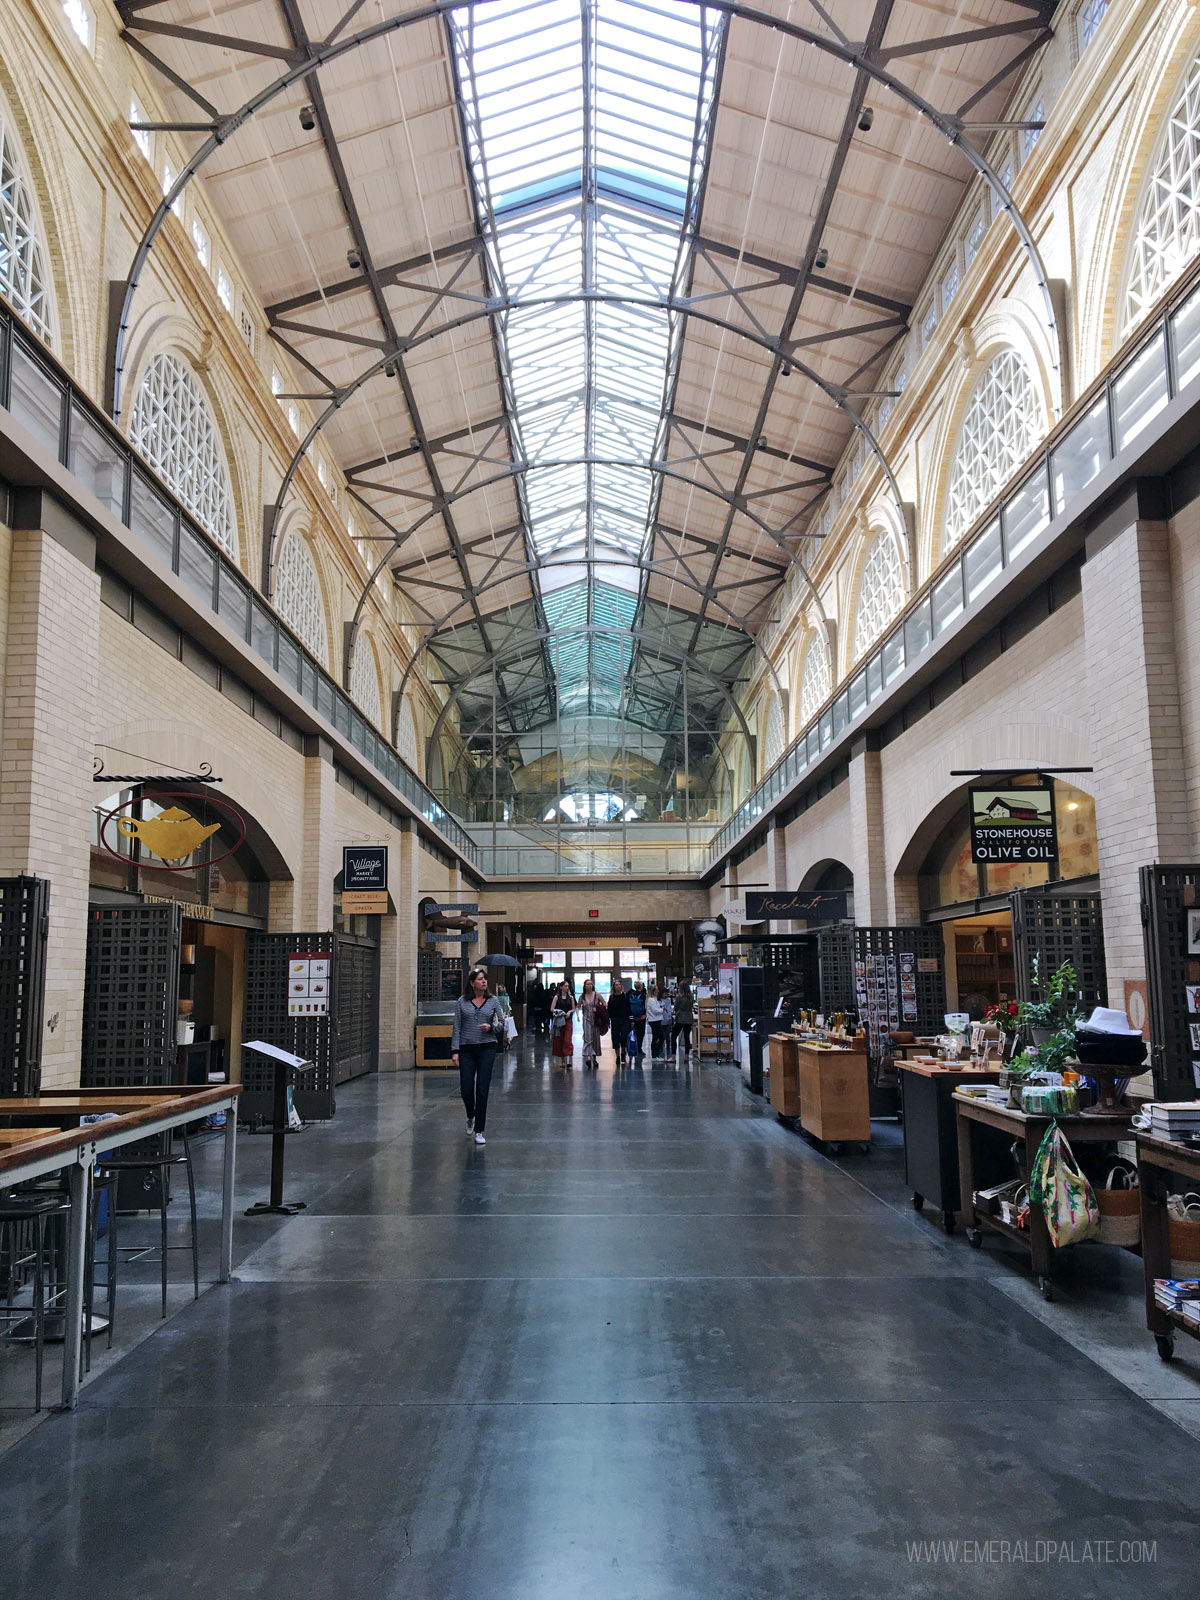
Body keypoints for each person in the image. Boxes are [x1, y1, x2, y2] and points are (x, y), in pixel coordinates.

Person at [451, 967, 504, 1146]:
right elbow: (456, 1026)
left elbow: (501, 1023)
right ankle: (470, 1115)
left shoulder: (493, 1000)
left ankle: (479, 1130)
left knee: (482, 1089)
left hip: (487, 1048)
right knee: (466, 1088)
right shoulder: (462, 1002)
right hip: (467, 1049)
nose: (484, 982)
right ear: (472, 983)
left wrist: (491, 1027)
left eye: (484, 979)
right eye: (480, 979)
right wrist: (455, 1051)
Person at [579, 977, 602, 1069]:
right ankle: (588, 1057)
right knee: (588, 1037)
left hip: (595, 1019)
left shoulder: (597, 995)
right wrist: (576, 1013)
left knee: (595, 1037)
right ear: (584, 986)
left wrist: (598, 1009)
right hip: (586, 1019)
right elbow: (577, 1006)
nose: (589, 986)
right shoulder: (582, 997)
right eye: (587, 984)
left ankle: (594, 1058)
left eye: (591, 984)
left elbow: (604, 1004)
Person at [550, 979, 575, 1063]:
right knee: (560, 1039)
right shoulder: (557, 997)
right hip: (559, 1021)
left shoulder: (571, 998)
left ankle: (567, 1060)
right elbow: (552, 1009)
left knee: (567, 1039)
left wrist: (569, 1012)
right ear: (561, 987)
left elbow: (573, 1008)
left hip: (568, 1020)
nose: (567, 988)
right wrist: (561, 1012)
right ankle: (563, 1060)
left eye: (568, 986)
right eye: (565, 986)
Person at [608, 979, 631, 1067]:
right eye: (616, 985)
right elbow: (609, 1009)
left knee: (624, 1036)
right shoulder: (612, 997)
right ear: (613, 987)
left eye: (619, 985)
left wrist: (631, 1019)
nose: (618, 986)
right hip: (615, 1020)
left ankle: (623, 1052)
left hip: (624, 1019)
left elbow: (628, 1008)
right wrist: (608, 1020)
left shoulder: (625, 996)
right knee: (615, 1037)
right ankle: (617, 1056)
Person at [674, 980, 695, 1056]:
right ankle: (686, 1055)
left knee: (674, 1036)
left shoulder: (680, 997)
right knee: (687, 1037)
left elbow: (676, 1007)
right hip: (689, 1017)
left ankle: (673, 1055)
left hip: (680, 1018)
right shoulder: (691, 997)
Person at [629, 981, 646, 1059]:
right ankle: (639, 1048)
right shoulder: (643, 996)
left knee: (633, 1033)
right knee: (641, 1034)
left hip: (633, 1017)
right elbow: (645, 1006)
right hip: (641, 1017)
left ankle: (632, 1048)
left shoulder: (631, 995)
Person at [646, 983, 664, 1059]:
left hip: (657, 1020)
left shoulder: (654, 999)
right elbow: (655, 1011)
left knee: (658, 1037)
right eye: (657, 990)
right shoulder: (651, 1000)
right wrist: (662, 1009)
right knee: (658, 1037)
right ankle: (655, 1054)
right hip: (654, 1020)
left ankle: (656, 1054)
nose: (658, 991)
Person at [660, 986, 674, 1056]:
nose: (666, 995)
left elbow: (669, 1009)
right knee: (662, 1035)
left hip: (667, 1020)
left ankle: (668, 1047)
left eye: (667, 994)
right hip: (661, 1020)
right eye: (665, 994)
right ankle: (661, 1048)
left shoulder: (668, 1000)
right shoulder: (658, 1000)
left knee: (668, 1035)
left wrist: (669, 1015)